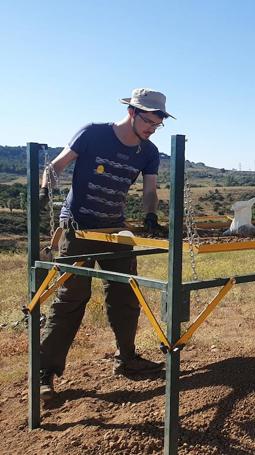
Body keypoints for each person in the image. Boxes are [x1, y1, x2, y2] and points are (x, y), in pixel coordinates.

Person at [37, 88, 174, 400]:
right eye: (149, 122)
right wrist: (46, 189)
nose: (152, 129)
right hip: (78, 227)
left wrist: (150, 215)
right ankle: (45, 373)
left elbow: (149, 190)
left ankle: (126, 358)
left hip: (115, 228)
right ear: (132, 113)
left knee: (126, 292)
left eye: (157, 125)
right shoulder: (92, 134)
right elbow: (56, 166)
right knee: (71, 296)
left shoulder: (148, 152)